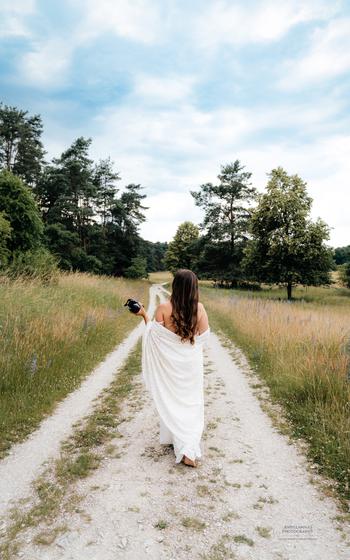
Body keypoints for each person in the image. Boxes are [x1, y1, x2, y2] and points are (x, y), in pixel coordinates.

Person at [136, 269, 210, 467]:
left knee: (173, 399)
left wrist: (143, 314)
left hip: (171, 364)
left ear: (174, 286)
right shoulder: (200, 309)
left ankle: (184, 447)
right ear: (194, 287)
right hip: (191, 363)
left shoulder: (163, 307)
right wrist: (187, 340)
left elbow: (154, 336)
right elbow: (204, 337)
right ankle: (188, 448)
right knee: (191, 402)